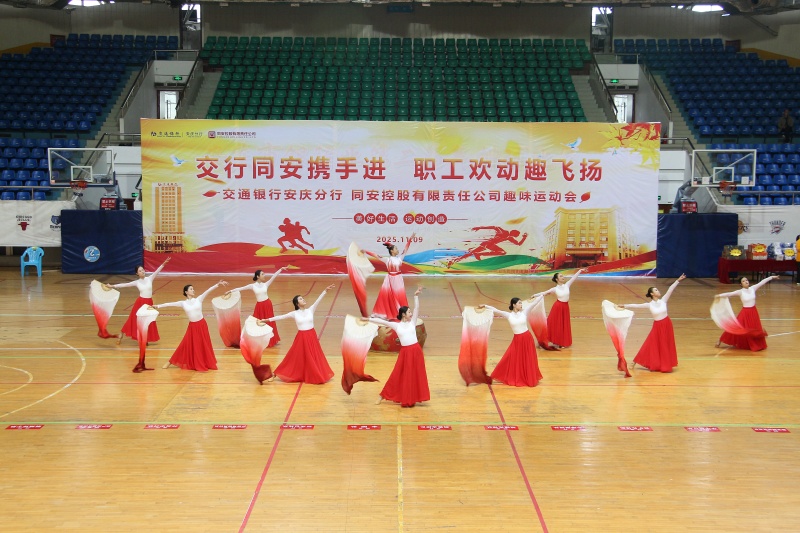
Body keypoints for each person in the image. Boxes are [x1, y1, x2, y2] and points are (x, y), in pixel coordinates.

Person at [368, 287, 430, 407]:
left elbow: (417, 308)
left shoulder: (412, 322)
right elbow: (383, 322)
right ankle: (382, 396)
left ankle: (411, 398)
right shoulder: (397, 326)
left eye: (411, 312)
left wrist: (416, 296)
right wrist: (367, 319)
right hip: (405, 353)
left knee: (415, 375)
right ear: (403, 314)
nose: (411, 314)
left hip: (416, 351)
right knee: (398, 374)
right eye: (409, 312)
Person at [263, 284, 336, 384]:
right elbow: (280, 317)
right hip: (301, 338)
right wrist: (266, 320)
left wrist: (325, 290)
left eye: (303, 298)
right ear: (297, 303)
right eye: (301, 299)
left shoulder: (310, 310)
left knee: (314, 356)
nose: (303, 300)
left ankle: (316, 374)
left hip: (311, 336)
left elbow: (318, 300)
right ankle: (275, 374)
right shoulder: (294, 314)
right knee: (292, 356)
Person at [618, 274, 686, 373]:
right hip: (657, 326)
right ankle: (635, 361)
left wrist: (678, 280)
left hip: (667, 324)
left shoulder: (663, 301)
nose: (658, 291)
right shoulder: (649, 305)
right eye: (656, 290)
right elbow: (636, 305)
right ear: (652, 294)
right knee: (650, 344)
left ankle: (665, 365)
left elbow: (670, 289)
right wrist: (624, 305)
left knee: (665, 345)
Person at [156, 280, 228, 372]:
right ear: (186, 292)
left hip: (202, 325)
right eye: (191, 289)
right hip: (192, 327)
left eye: (193, 289)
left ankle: (205, 362)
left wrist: (217, 284)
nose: (193, 290)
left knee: (203, 344)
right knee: (185, 344)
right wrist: (157, 306)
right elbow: (169, 304)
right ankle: (170, 361)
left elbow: (208, 290)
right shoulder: (183, 303)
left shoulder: (199, 299)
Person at [482, 294, 545, 387]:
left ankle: (530, 378)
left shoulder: (525, 312)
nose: (521, 304)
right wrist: (485, 306)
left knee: (528, 359)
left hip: (527, 339)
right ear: (514, 305)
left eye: (521, 303)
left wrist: (539, 295)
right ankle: (505, 375)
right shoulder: (508, 315)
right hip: (517, 340)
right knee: (510, 357)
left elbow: (535, 302)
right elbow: (496, 310)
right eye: (519, 303)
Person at [106, 257, 170, 345]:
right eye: (140, 271)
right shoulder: (136, 282)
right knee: (133, 319)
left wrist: (164, 263)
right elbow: (124, 285)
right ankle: (121, 334)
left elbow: (157, 271)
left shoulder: (150, 278)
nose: (142, 271)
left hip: (149, 303)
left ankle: (145, 338)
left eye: (143, 270)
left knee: (148, 320)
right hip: (140, 303)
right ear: (137, 273)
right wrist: (113, 286)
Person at [226, 267, 286, 347]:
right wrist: (230, 291)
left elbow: (274, 276)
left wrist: (281, 269)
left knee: (269, 322)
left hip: (267, 305)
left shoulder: (266, 284)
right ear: (258, 276)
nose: (264, 275)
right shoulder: (252, 286)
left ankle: (270, 340)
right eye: (262, 274)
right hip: (259, 306)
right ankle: (255, 339)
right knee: (256, 322)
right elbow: (241, 288)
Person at [716, 275, 778, 351]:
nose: (746, 281)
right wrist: (719, 295)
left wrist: (772, 277)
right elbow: (729, 294)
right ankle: (720, 339)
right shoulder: (740, 292)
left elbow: (762, 282)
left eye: (746, 280)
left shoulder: (753, 288)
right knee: (736, 328)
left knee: (753, 329)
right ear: (741, 284)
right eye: (743, 281)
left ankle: (755, 344)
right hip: (745, 313)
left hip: (753, 312)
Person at [366, 234, 415, 319]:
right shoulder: (387, 260)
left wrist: (410, 239)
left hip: (398, 279)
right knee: (387, 296)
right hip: (389, 279)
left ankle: (402, 313)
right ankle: (384, 312)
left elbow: (406, 249)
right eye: (396, 248)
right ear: (392, 251)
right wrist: (365, 251)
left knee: (399, 295)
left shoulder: (399, 258)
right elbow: (375, 255)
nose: (397, 250)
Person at [536, 268, 587, 348]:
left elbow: (574, 277)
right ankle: (543, 340)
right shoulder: (554, 289)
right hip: (557, 307)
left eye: (563, 276)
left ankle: (561, 342)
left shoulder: (567, 285)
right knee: (553, 324)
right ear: (557, 279)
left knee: (563, 325)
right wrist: (534, 295)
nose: (563, 277)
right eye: (561, 276)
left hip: (565, 307)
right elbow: (544, 293)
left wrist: (580, 270)